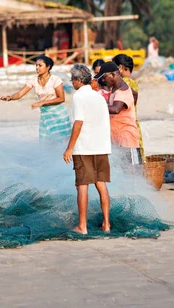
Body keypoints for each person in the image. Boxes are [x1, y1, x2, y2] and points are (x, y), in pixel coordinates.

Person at [63, 64, 112, 235]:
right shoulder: (98, 96)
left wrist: (69, 148)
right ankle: (106, 224)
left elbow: (78, 123)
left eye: (72, 80)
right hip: (101, 146)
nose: (72, 83)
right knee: (101, 185)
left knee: (82, 186)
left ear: (77, 80)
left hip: (84, 148)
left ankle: (82, 226)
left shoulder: (78, 97)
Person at [0, 55, 72, 142]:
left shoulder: (55, 80)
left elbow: (61, 98)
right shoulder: (34, 80)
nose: (37, 68)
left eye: (40, 65)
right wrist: (9, 98)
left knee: (61, 141)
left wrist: (42, 103)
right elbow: (20, 94)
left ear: (48, 67)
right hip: (45, 115)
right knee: (45, 142)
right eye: (36, 66)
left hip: (59, 114)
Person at [95, 62, 141, 164]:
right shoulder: (115, 88)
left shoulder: (122, 89)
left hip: (127, 139)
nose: (103, 80)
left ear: (112, 74)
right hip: (118, 138)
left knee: (132, 172)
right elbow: (135, 94)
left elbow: (116, 109)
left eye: (104, 77)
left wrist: (96, 106)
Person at [113, 54, 145, 162]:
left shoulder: (125, 83)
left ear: (120, 68)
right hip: (132, 123)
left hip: (126, 126)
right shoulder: (132, 80)